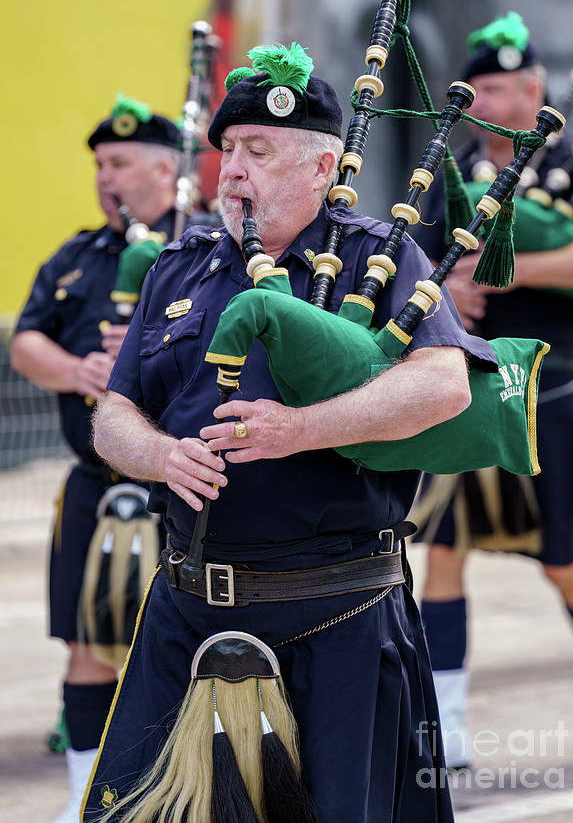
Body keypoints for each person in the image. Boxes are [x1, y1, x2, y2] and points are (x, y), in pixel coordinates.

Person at [82, 42, 502, 823]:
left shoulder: (379, 258)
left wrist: (300, 429)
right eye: (229, 152)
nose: (232, 171)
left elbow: (442, 384)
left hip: (337, 619)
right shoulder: (178, 268)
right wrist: (160, 455)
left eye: (259, 151)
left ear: (321, 169)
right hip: (189, 609)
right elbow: (113, 412)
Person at [411, 12, 573, 769]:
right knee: (444, 554)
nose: (489, 100)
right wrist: (452, 281)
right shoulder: (451, 172)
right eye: (479, 87)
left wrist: (512, 268)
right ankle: (447, 725)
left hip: (546, 390)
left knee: (563, 560)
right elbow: (412, 258)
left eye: (504, 87)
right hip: (465, 389)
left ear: (536, 89)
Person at [10, 96, 190, 823]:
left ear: (163, 169)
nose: (104, 177)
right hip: (93, 484)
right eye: (98, 166)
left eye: (118, 163)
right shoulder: (76, 257)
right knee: (87, 642)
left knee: (183, 642)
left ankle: (182, 790)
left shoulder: (203, 248)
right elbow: (25, 342)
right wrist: (76, 371)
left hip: (178, 487)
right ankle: (89, 800)